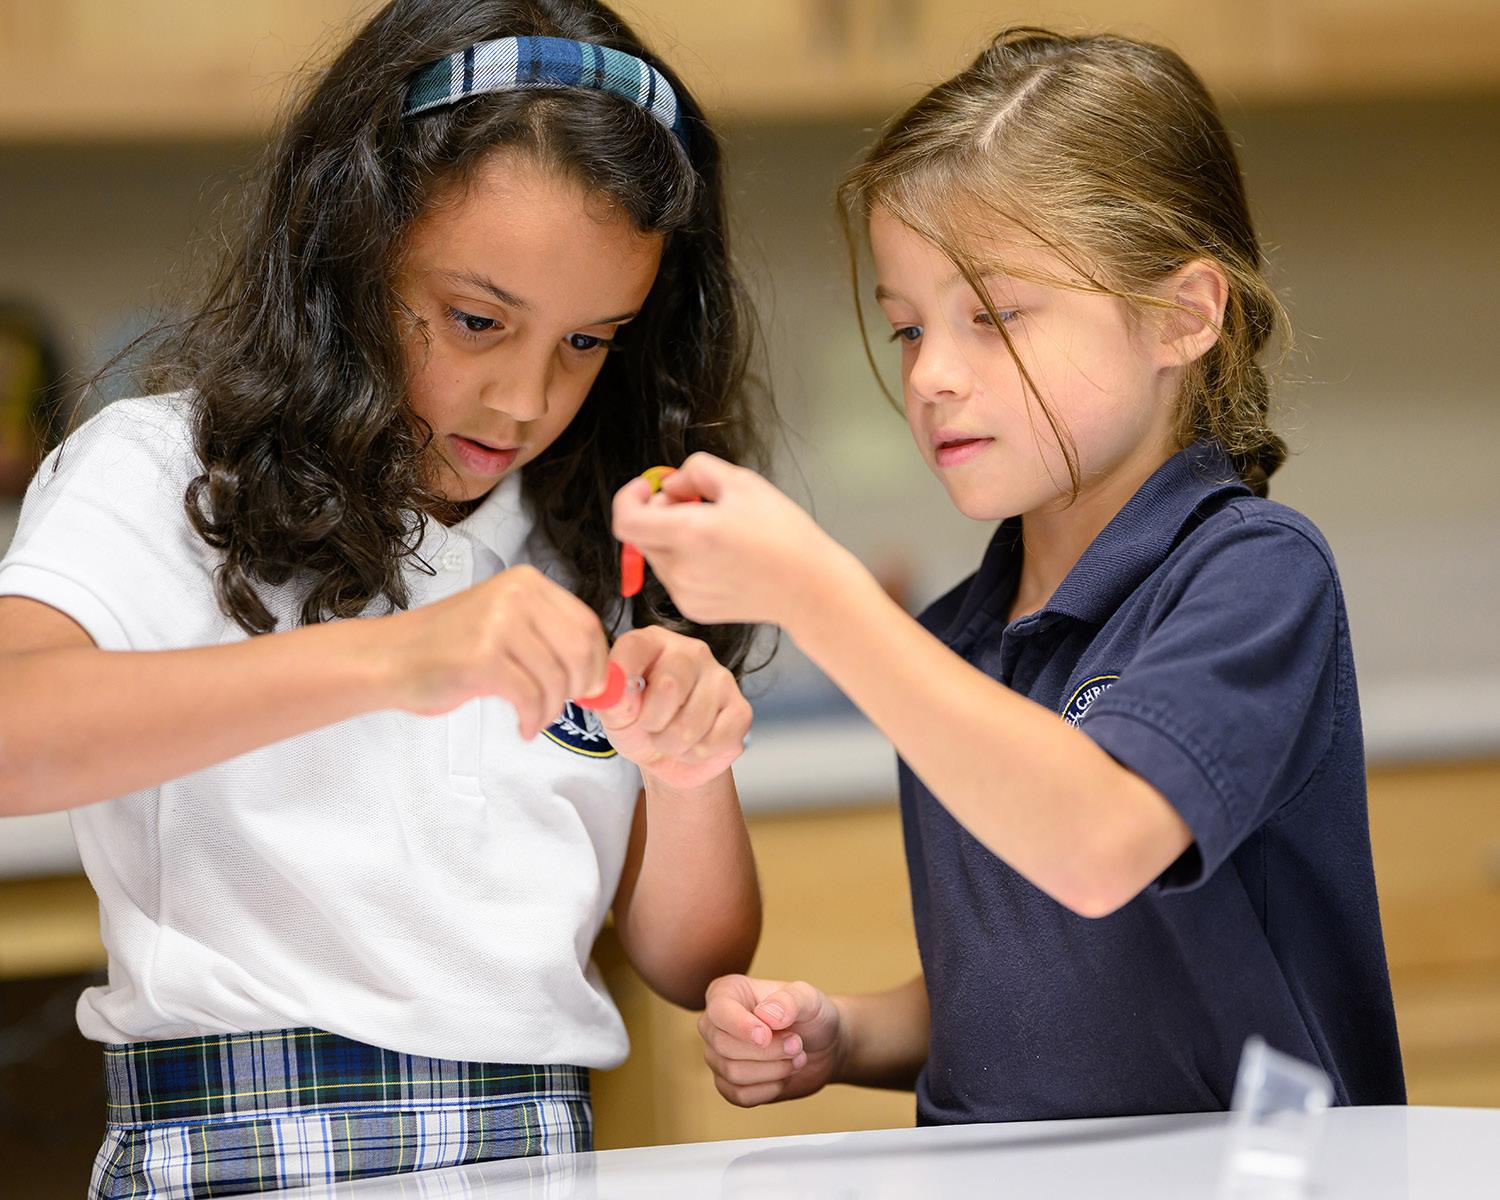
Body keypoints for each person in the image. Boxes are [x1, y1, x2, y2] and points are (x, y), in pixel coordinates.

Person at [0, 1, 767, 1193]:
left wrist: (690, 766)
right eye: (477, 320)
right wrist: (398, 659)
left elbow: (691, 957)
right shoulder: (164, 470)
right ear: (350, 249)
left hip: (539, 1157)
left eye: (588, 341)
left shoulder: (597, 536)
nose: (524, 399)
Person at [614, 28, 1405, 1127]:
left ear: (1182, 316)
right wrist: (843, 1033)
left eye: (993, 316)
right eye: (907, 328)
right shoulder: (957, 641)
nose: (931, 374)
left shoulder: (1256, 578)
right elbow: (1028, 989)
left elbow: (1099, 845)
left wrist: (815, 590)